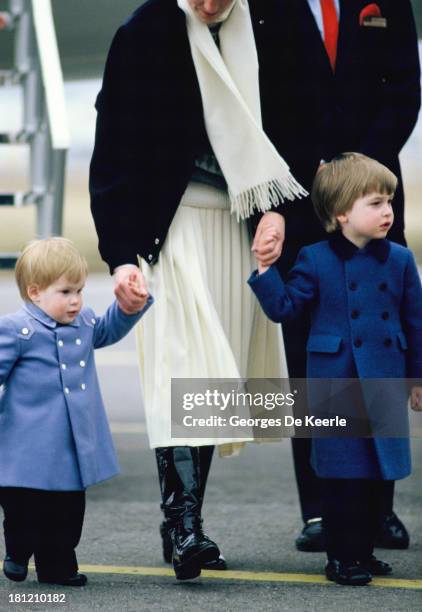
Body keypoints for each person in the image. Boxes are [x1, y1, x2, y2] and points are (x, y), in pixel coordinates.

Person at [90, 0, 306, 580]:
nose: (210, 4)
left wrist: (281, 210)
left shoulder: (272, 23)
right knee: (184, 365)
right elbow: (112, 144)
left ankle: (181, 523)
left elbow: (297, 122)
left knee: (216, 379)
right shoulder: (145, 31)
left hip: (242, 219)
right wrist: (118, 256)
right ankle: (186, 528)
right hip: (171, 223)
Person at [252, 0, 421, 552]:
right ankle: (322, 508)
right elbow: (261, 97)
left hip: (372, 195)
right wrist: (313, 170)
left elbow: (404, 85)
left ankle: (379, 509)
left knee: (382, 353)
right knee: (313, 361)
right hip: (300, 198)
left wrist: (356, 171)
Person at [249, 152, 422, 585]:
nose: (387, 212)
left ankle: (363, 551)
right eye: (375, 203)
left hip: (384, 376)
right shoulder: (314, 258)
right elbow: (285, 310)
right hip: (335, 378)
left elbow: (416, 322)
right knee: (342, 474)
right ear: (341, 213)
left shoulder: (400, 259)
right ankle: (342, 557)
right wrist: (266, 271)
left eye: (389, 202)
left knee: (374, 476)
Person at [0, 238, 151, 586]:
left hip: (69, 446)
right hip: (24, 446)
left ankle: (58, 566)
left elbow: (107, 330)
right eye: (66, 291)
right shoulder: (17, 329)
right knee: (24, 507)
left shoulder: (82, 322)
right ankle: (18, 552)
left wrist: (129, 307)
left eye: (80, 290)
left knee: (67, 513)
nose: (76, 300)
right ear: (35, 293)